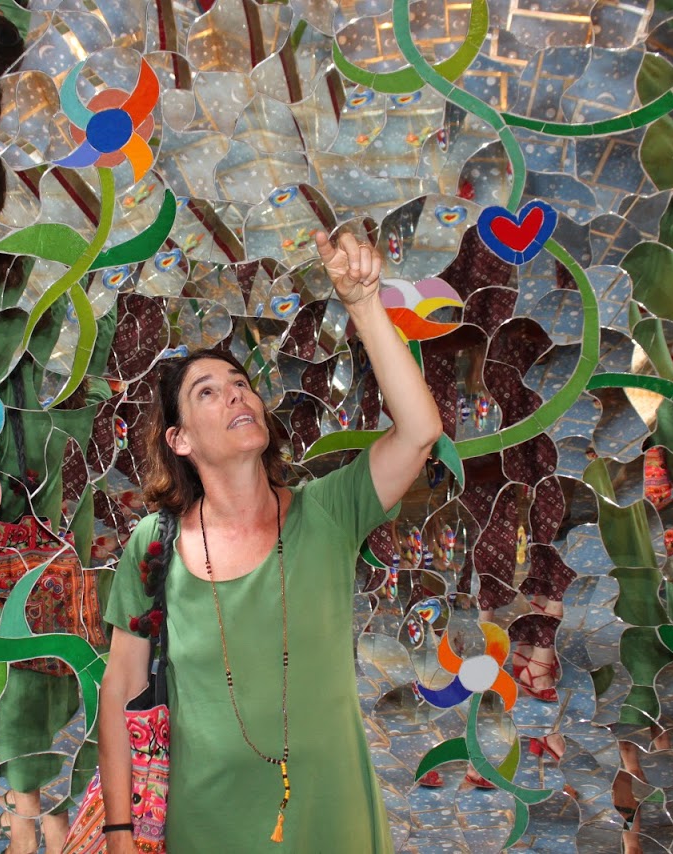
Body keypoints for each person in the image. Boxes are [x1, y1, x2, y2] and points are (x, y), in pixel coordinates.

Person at [97, 230, 443, 852]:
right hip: (208, 826)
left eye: (240, 383)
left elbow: (419, 432)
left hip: (333, 819)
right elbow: (120, 686)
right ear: (180, 440)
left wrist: (364, 304)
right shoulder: (156, 544)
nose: (235, 392)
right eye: (207, 392)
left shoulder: (329, 511)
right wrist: (119, 829)